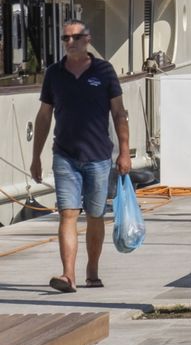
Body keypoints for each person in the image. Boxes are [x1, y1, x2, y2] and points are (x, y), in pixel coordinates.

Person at [30, 20, 130, 293]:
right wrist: (36, 156)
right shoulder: (54, 73)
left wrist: (124, 152)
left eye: (76, 37)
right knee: (68, 214)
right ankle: (68, 275)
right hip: (64, 156)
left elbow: (119, 113)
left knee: (95, 216)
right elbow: (44, 115)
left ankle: (92, 269)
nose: (70, 42)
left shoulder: (104, 71)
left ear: (87, 39)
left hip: (99, 156)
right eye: (66, 38)